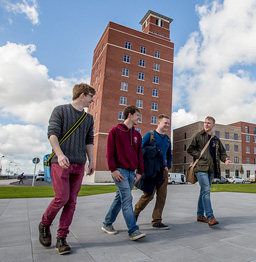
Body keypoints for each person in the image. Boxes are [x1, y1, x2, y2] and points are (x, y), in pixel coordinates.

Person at [38, 83, 95, 255]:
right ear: (83, 95)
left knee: (72, 201)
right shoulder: (60, 110)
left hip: (78, 163)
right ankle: (44, 224)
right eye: (91, 96)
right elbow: (52, 133)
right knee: (61, 198)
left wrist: (91, 160)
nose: (92, 100)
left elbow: (89, 140)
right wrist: (60, 154)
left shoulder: (88, 119)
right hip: (60, 162)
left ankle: (61, 238)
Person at [102, 105, 146, 241]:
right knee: (127, 199)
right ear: (130, 115)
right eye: (138, 115)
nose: (139, 118)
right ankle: (133, 230)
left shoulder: (137, 135)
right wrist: (113, 169)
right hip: (119, 171)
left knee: (119, 199)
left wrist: (140, 172)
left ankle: (107, 223)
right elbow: (109, 152)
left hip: (132, 173)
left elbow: (139, 155)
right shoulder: (115, 131)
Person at [187, 116, 231, 226]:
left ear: (213, 125)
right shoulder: (198, 136)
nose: (206, 124)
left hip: (212, 169)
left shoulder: (215, 139)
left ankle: (200, 215)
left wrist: (225, 158)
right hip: (201, 168)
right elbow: (190, 149)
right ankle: (210, 217)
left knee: (203, 191)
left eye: (209, 123)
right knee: (206, 191)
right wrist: (200, 156)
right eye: (205, 122)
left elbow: (222, 152)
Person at [134, 114, 172, 230]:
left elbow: (169, 155)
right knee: (148, 195)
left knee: (162, 196)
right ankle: (134, 214)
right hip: (151, 170)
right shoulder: (149, 135)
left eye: (168, 123)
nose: (167, 125)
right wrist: (140, 167)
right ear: (159, 123)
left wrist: (168, 166)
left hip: (163, 171)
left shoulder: (167, 139)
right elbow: (139, 151)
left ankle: (157, 221)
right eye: (165, 123)